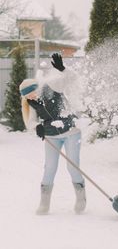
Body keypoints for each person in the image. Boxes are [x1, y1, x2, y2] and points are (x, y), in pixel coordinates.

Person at [19, 53, 86, 215]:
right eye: (27, 96)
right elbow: (31, 122)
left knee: (72, 166)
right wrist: (37, 128)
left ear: (36, 88)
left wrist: (63, 69)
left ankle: (81, 198)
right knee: (49, 168)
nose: (31, 97)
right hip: (51, 136)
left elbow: (72, 78)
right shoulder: (31, 102)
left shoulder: (51, 86)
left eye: (31, 93)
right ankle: (44, 203)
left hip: (71, 131)